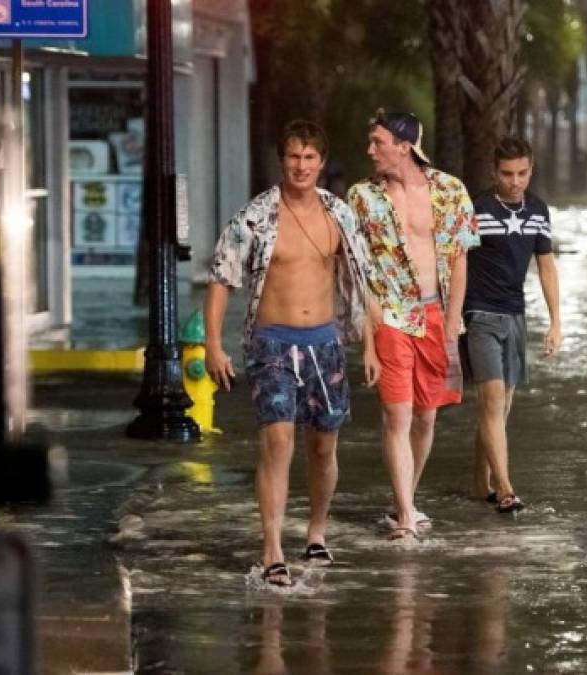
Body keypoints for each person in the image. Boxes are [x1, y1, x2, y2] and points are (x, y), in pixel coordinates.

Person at [205, 120, 377, 587]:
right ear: (282, 161)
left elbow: (363, 283)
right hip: (272, 343)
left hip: (326, 343)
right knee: (278, 444)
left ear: (322, 163)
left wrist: (372, 346)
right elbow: (222, 278)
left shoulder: (340, 215)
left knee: (323, 448)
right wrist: (214, 344)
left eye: (309, 157)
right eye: (293, 157)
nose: (301, 166)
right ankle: (272, 549)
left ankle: (316, 534)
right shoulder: (255, 216)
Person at [348, 109, 478, 542]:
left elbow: (460, 260)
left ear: (404, 146)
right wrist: (369, 332)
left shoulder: (450, 190)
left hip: (436, 313)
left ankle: (405, 497)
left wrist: (454, 322)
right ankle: (405, 517)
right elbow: (357, 270)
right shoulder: (362, 197)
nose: (370, 151)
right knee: (397, 414)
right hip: (390, 313)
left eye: (378, 142)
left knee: (426, 417)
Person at [462, 136, 561, 513]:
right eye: (506, 174)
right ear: (494, 172)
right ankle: (504, 488)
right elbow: (456, 263)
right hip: (480, 314)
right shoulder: (478, 209)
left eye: (521, 173)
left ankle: (478, 484)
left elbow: (546, 266)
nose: (514, 181)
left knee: (500, 409)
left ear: (530, 171)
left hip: (516, 315)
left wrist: (555, 322)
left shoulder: (538, 210)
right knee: (490, 401)